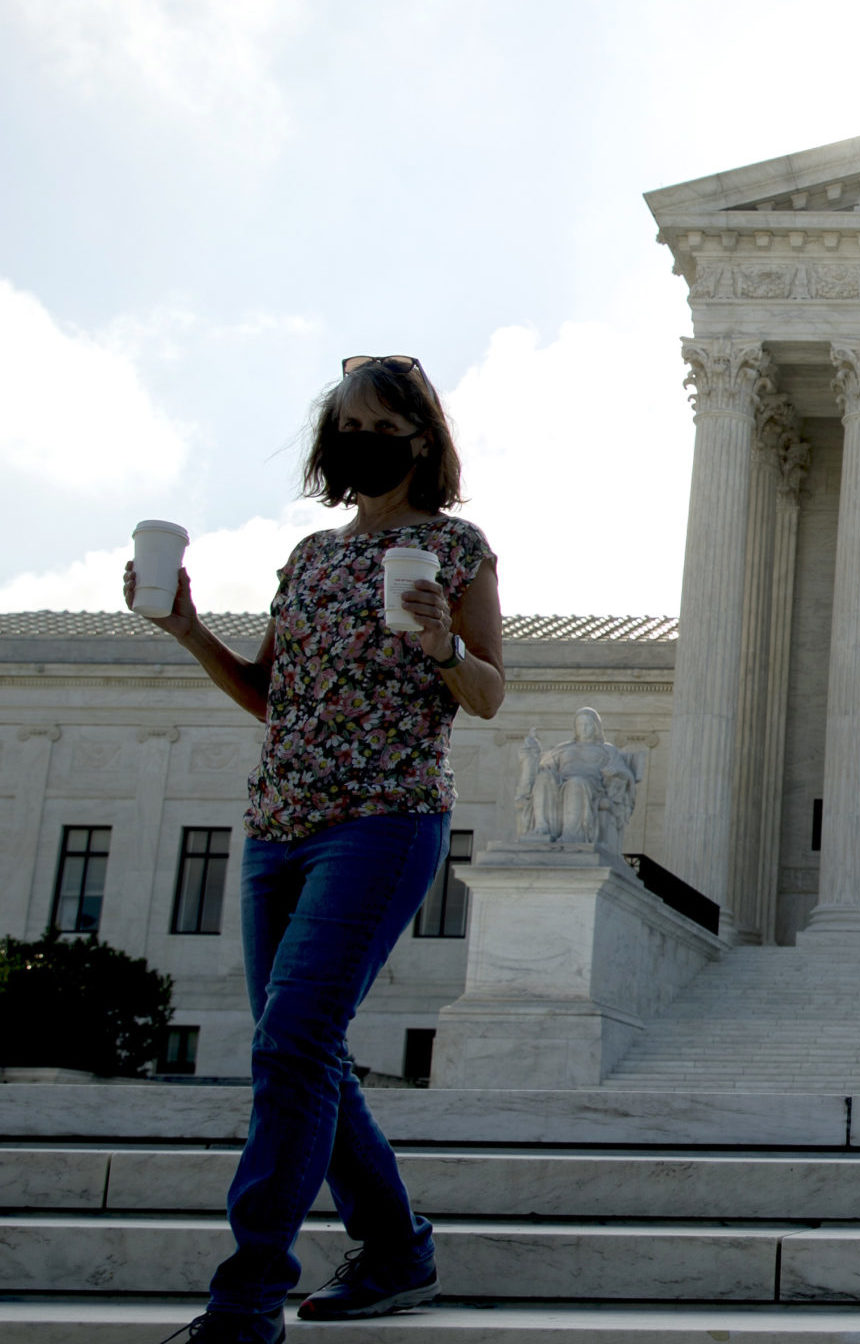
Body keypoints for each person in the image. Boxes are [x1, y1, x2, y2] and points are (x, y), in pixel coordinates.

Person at [132, 355, 505, 1343]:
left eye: (377, 423)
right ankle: (397, 1250)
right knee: (304, 1054)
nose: (357, 438)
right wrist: (185, 629)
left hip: (384, 820)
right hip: (278, 828)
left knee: (292, 1045)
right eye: (343, 423)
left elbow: (490, 693)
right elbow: (271, 694)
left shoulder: (456, 549)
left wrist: (443, 647)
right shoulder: (307, 556)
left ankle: (247, 1297)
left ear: (420, 438)